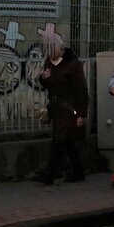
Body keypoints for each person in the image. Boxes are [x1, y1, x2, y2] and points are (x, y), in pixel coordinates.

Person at [36, 32, 90, 185]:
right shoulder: (48, 62)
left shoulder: (73, 64)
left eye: (53, 54)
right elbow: (47, 84)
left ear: (60, 49)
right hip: (56, 108)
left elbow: (82, 90)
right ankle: (78, 171)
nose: (51, 58)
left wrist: (81, 114)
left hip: (69, 109)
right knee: (67, 142)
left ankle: (49, 175)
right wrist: (43, 79)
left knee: (58, 141)